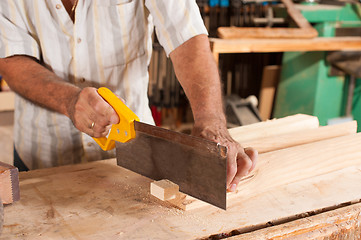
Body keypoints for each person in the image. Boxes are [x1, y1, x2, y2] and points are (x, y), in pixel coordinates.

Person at [0, 0, 257, 192]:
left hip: (133, 152)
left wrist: (211, 121)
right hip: (41, 155)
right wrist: (68, 100)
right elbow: (11, 58)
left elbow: (187, 36)